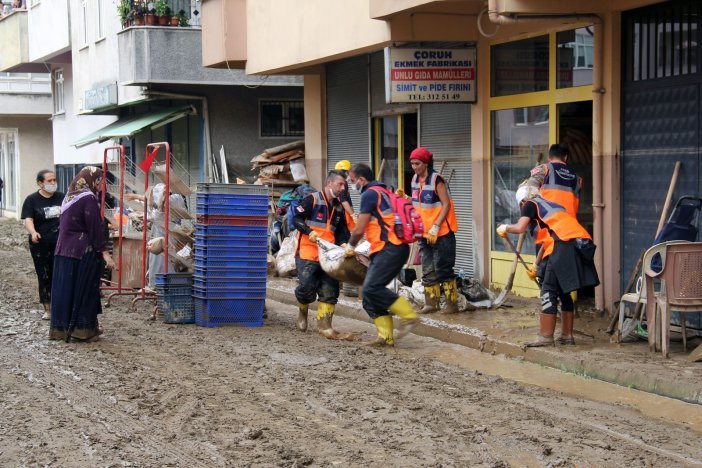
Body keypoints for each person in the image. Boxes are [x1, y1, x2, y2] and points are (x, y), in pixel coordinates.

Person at [496, 184, 599, 347]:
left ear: (522, 202)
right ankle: (567, 335)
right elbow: (549, 240)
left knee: (548, 289)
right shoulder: (553, 206)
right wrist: (536, 266)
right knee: (564, 290)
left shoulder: (530, 204)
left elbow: (520, 228)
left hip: (564, 244)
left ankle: (546, 337)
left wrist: (505, 227)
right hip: (579, 243)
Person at [345, 163, 418, 347]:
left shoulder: (369, 194)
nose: (351, 184)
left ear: (362, 180)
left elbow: (359, 228)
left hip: (390, 248)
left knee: (371, 288)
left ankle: (408, 316)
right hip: (389, 249)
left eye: (352, 180)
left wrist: (350, 246)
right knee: (370, 296)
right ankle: (385, 337)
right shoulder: (384, 191)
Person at [49, 166, 115, 342]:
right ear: (93, 180)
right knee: (85, 290)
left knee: (65, 290)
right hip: (81, 251)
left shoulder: (70, 196)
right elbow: (94, 227)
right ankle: (83, 329)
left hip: (63, 250)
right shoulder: (88, 198)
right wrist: (105, 253)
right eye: (101, 181)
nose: (102, 185)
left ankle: (60, 329)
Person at [291, 171, 349, 338]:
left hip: (329, 255)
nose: (343, 188)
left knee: (331, 289)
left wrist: (344, 242)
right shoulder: (312, 199)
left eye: (344, 185)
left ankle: (325, 325)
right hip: (308, 252)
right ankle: (303, 313)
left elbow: (342, 231)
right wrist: (308, 231)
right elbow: (296, 219)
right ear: (329, 184)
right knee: (306, 288)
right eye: (340, 184)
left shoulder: (339, 207)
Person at [408, 147, 460, 314]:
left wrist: (436, 226)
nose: (414, 167)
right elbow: (419, 203)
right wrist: (405, 198)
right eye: (412, 163)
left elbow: (446, 204)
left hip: (442, 232)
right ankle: (431, 303)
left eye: (417, 163)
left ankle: (452, 304)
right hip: (424, 232)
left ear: (426, 163)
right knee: (428, 268)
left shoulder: (437, 179)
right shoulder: (415, 180)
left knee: (444, 268)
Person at [527, 144, 583, 281]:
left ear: (549, 157)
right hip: (568, 231)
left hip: (546, 227)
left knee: (545, 275)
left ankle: (548, 296)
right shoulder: (577, 179)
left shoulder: (543, 169)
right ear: (565, 157)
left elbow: (530, 194)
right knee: (563, 274)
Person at [21, 170, 64, 320]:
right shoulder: (32, 200)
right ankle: (48, 307)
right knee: (45, 274)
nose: (53, 183)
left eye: (54, 180)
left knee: (60, 273)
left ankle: (61, 305)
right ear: (40, 183)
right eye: (49, 181)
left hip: (61, 242)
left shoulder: (62, 197)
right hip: (41, 243)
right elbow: (28, 219)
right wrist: (33, 232)